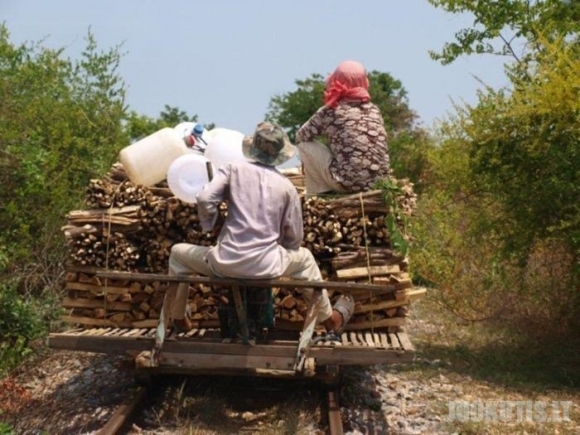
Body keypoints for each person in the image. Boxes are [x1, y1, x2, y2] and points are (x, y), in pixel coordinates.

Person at [167, 121, 353, 335]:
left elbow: (205, 198)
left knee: (177, 254)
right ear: (278, 154)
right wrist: (281, 247)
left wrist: (212, 225)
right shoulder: (287, 187)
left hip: (225, 263)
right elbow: (294, 237)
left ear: (253, 147)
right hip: (267, 266)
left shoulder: (232, 169)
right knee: (306, 260)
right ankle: (329, 319)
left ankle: (179, 318)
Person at [296, 60, 390, 194]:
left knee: (304, 144)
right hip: (379, 184)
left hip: (347, 184)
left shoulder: (331, 110)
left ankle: (316, 195)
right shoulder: (374, 110)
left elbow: (301, 135)